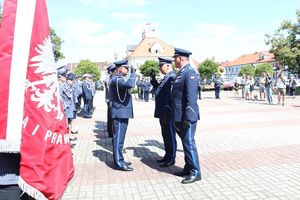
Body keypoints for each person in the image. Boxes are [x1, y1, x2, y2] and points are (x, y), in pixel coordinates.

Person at [171, 48, 201, 184]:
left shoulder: (189, 73)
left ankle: (195, 172)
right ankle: (188, 168)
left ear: (181, 58)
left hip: (187, 116)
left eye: (175, 58)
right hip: (180, 115)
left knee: (189, 143)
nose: (173, 61)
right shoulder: (181, 73)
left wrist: (188, 117)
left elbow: (191, 97)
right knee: (186, 143)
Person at [109, 59, 137, 171]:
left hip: (122, 112)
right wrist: (134, 73)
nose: (129, 70)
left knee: (120, 138)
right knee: (118, 138)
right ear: (120, 69)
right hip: (120, 113)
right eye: (127, 68)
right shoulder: (117, 79)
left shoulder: (118, 78)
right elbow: (130, 84)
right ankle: (118, 163)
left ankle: (119, 158)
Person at [150, 57, 177, 167]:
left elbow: (171, 96)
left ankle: (171, 158)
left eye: (161, 66)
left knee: (170, 135)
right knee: (165, 135)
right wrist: (153, 80)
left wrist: (169, 110)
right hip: (163, 112)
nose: (160, 69)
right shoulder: (166, 77)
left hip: (168, 112)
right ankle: (167, 155)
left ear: (168, 66)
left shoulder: (172, 77)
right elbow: (160, 91)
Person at [57, 66, 76, 140]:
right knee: (64, 124)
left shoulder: (64, 84)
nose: (66, 77)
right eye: (64, 76)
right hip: (64, 107)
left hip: (67, 107)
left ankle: (67, 136)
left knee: (67, 123)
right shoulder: (59, 85)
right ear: (59, 76)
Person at [104, 64, 116, 138]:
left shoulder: (108, 78)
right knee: (111, 116)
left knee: (110, 116)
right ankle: (111, 131)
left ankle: (110, 130)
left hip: (109, 99)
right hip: (111, 99)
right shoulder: (109, 79)